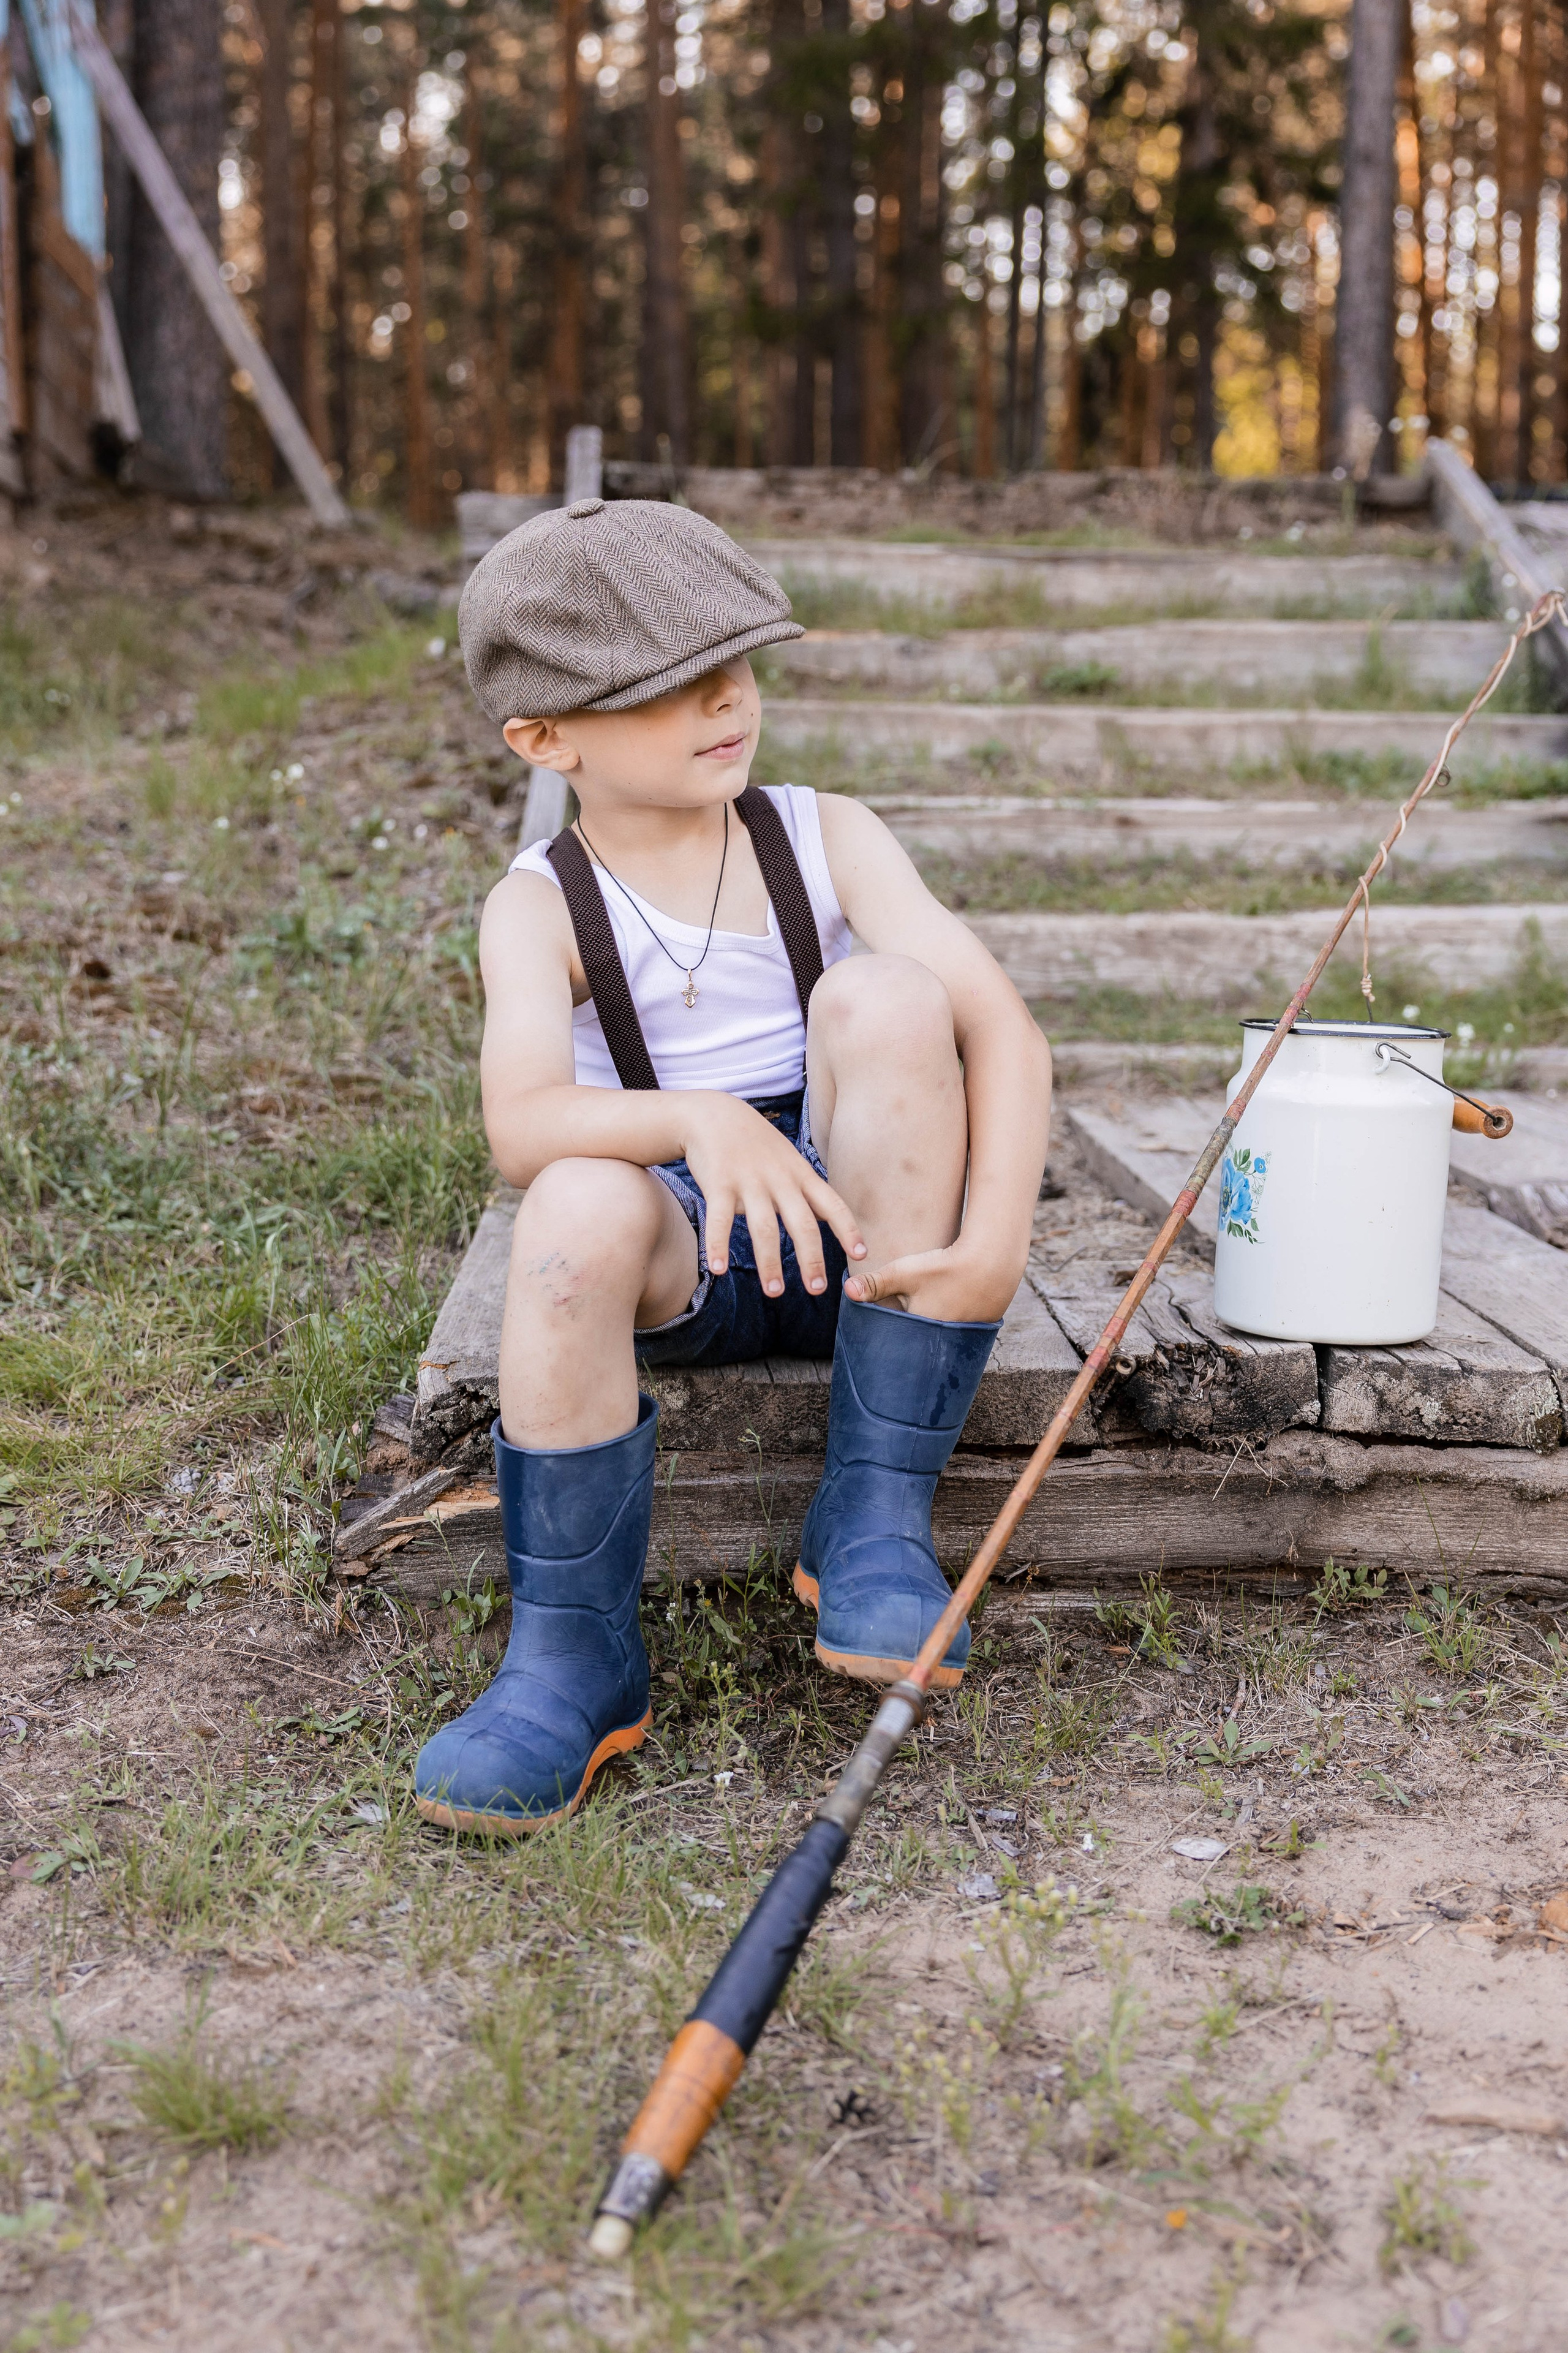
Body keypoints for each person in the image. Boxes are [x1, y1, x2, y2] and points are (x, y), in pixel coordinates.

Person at [415, 497, 1052, 1835]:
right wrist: (699, 1119)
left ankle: (870, 1519)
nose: (724, 700)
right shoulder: (537, 902)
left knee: (887, 996)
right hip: (686, 1246)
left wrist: (992, 1237)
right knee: (576, 1199)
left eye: (738, 664)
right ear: (544, 737)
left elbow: (999, 1028)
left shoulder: (827, 836)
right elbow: (523, 1121)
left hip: (872, 1239)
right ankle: (572, 1657)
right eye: (666, 688)